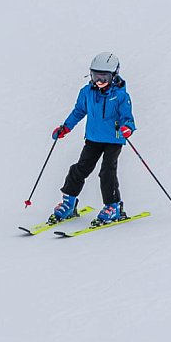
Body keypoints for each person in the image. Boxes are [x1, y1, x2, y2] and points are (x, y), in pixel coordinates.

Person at [50, 52, 136, 226]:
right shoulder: (87, 92)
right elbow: (79, 111)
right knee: (80, 168)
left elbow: (127, 117)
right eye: (96, 75)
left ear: (114, 75)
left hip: (114, 139)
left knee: (107, 172)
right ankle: (69, 202)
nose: (99, 80)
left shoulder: (120, 95)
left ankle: (113, 206)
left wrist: (128, 128)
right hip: (93, 138)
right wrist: (66, 127)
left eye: (104, 76)